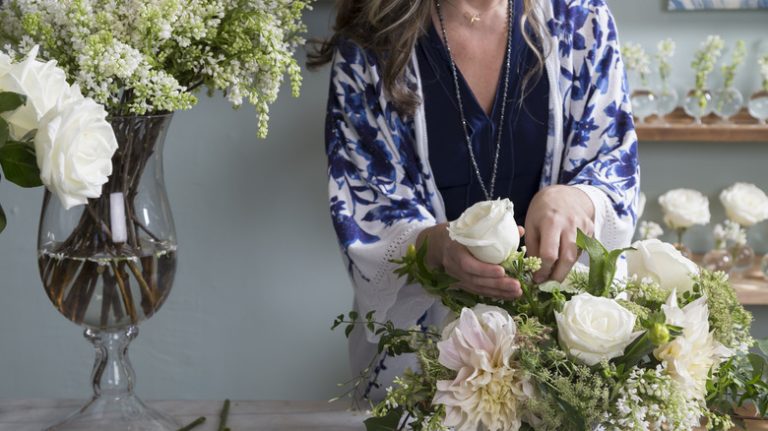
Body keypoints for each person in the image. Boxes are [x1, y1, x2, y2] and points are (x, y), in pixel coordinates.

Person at [310, 0, 639, 400]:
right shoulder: (371, 40)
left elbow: (613, 160)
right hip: (423, 368)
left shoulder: (582, 19)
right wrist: (435, 248)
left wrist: (575, 199)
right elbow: (365, 202)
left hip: (564, 363)